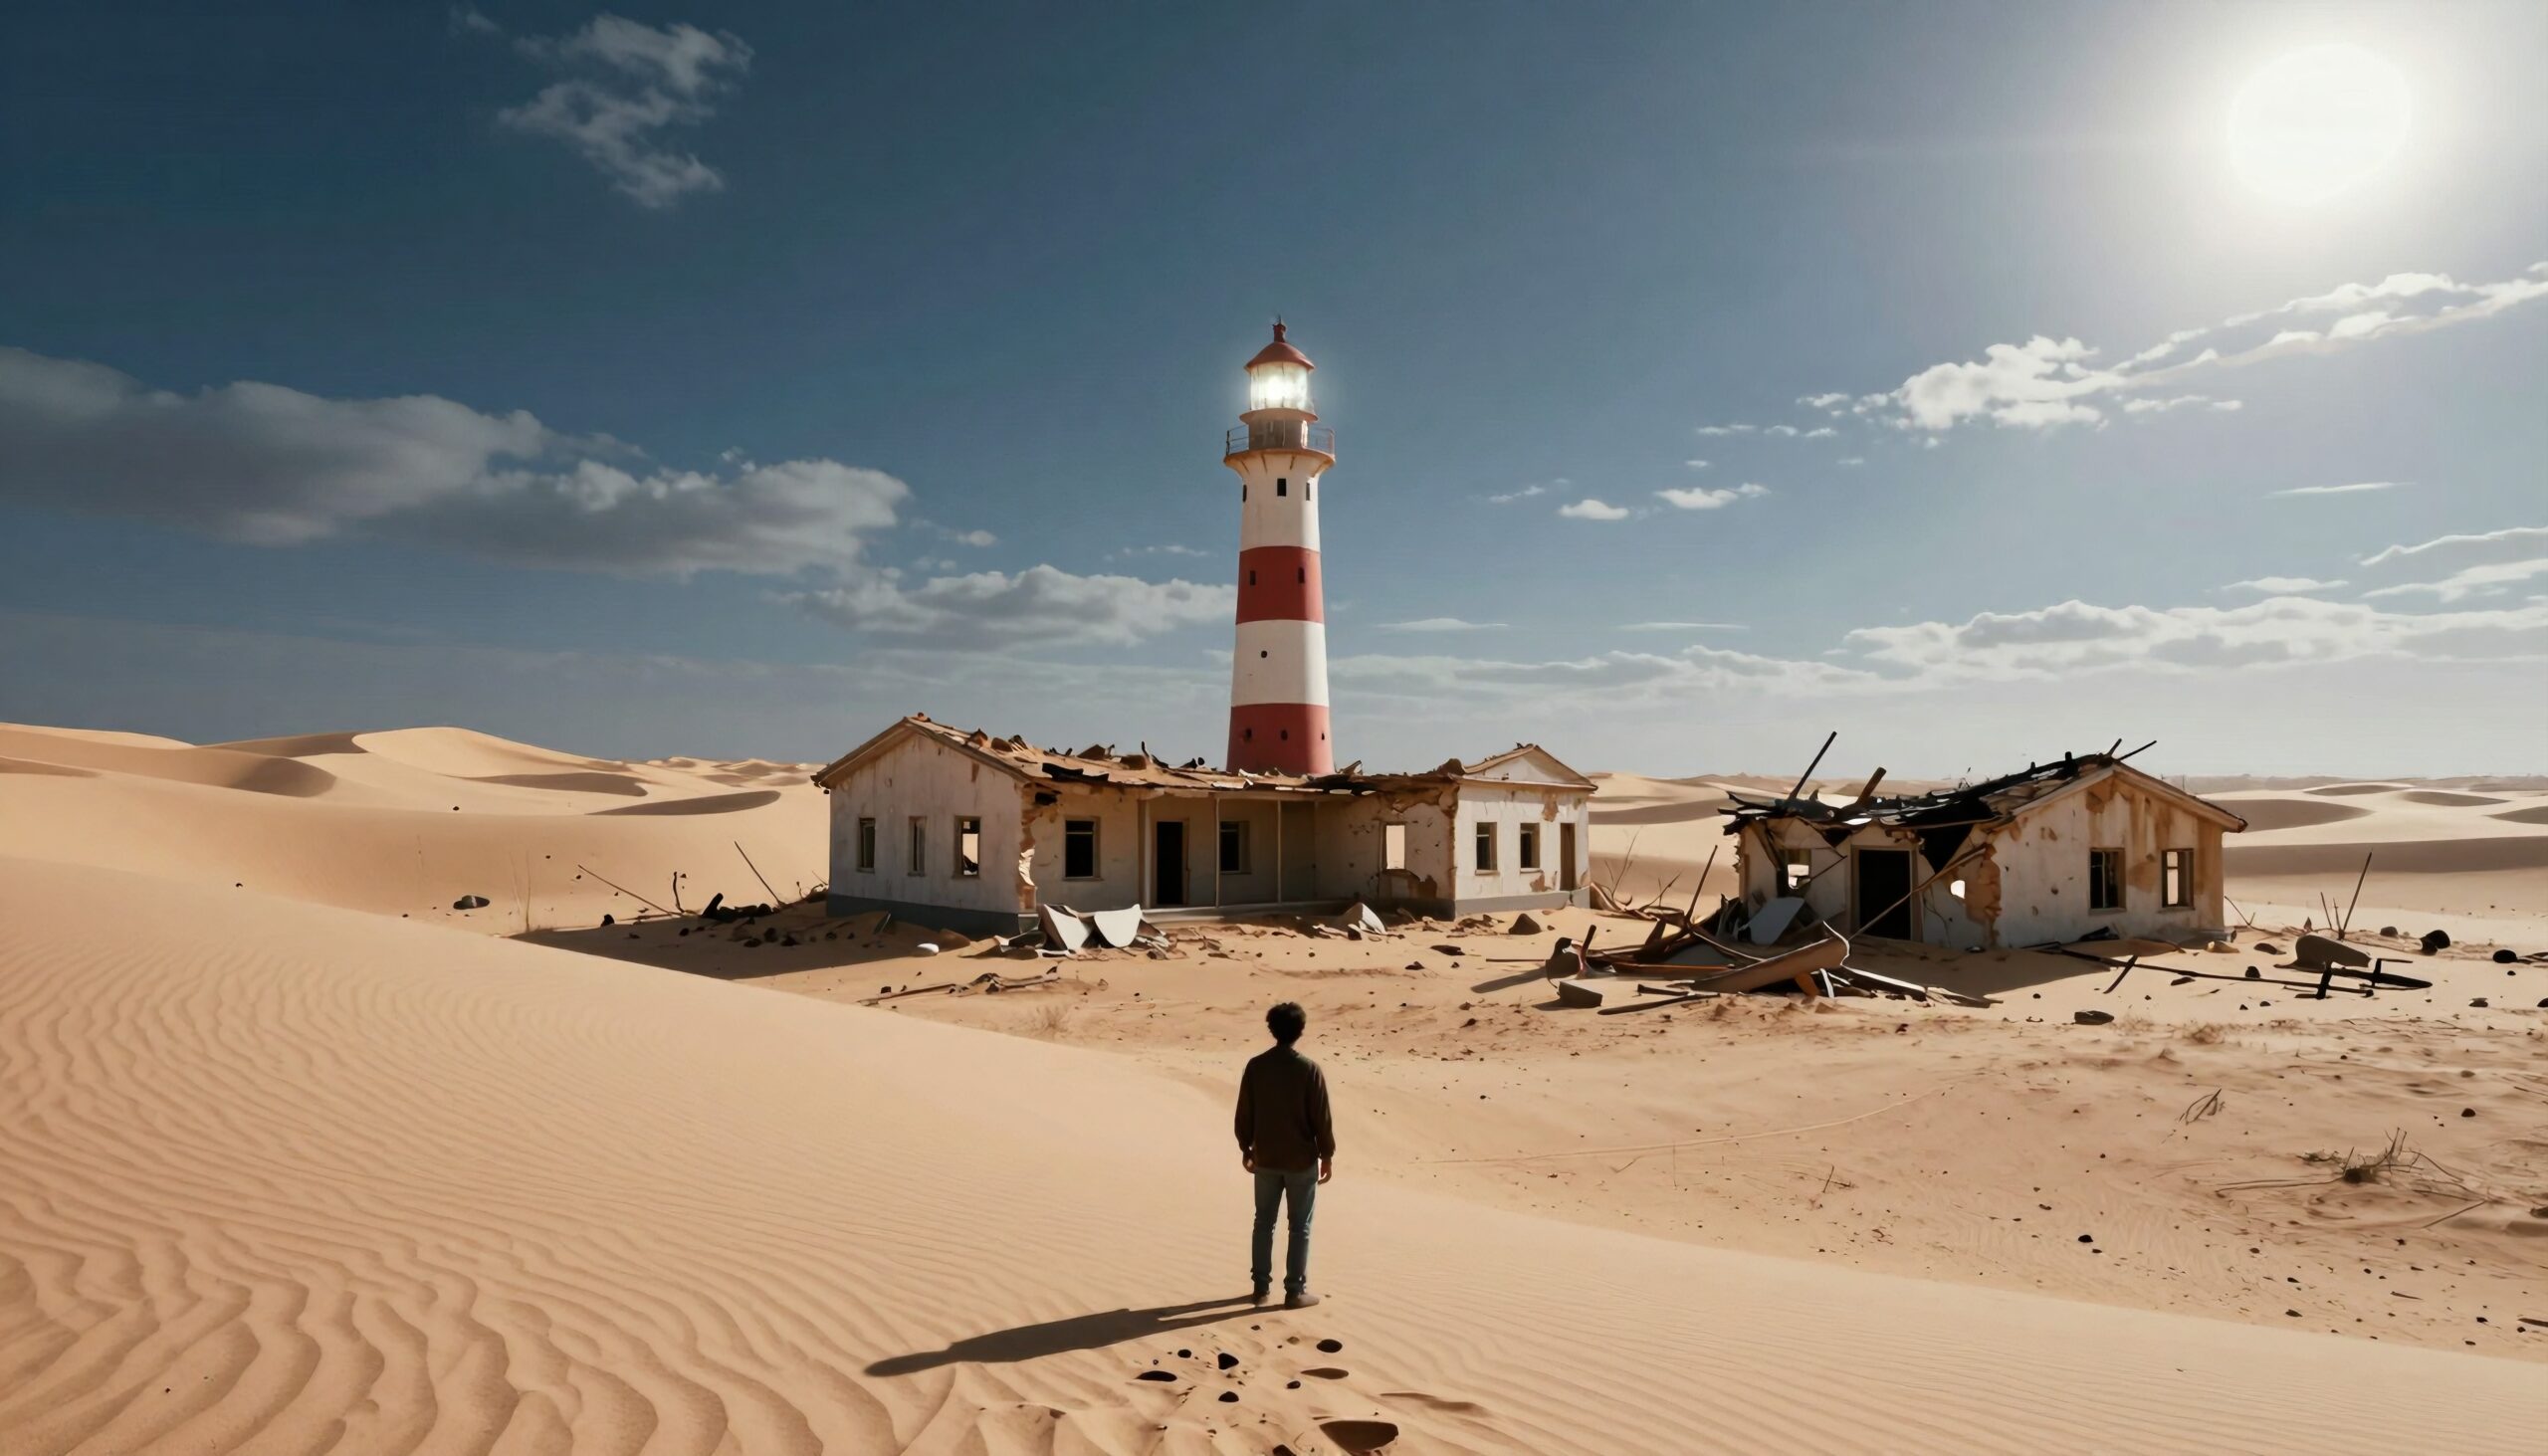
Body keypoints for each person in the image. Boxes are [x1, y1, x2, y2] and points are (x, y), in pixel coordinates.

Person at [1232, 1000, 1334, 1309]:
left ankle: (1261, 1289)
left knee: (1263, 1222)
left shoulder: (1256, 1066)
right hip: (1300, 1160)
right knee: (1299, 1226)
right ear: (1300, 1030)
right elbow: (1321, 1118)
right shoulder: (1308, 1069)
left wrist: (1245, 1147)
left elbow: (1244, 1113)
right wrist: (1327, 1154)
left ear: (1271, 1029)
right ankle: (1295, 1291)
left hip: (1265, 1158)